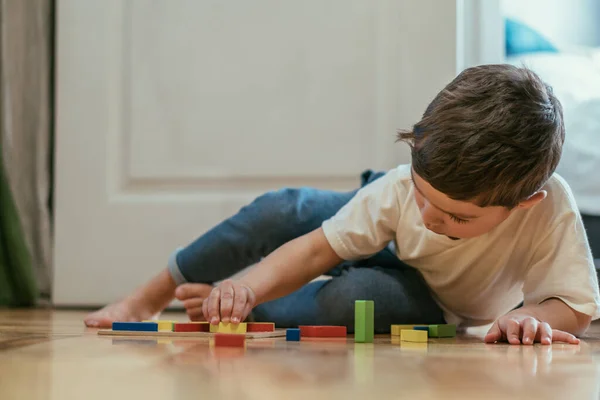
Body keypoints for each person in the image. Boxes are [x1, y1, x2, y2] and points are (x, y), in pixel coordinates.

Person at [85, 64, 600, 345]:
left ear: (524, 204)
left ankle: (240, 311)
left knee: (357, 298)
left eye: (456, 217)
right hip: (383, 223)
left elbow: (574, 306)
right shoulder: (403, 191)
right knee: (283, 209)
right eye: (426, 195)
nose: (429, 217)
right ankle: (150, 295)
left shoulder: (550, 208)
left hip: (432, 297)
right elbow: (313, 251)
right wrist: (245, 279)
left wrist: (533, 318)